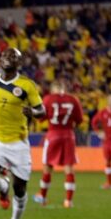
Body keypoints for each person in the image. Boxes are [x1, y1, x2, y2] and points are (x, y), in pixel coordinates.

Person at [0, 47, 45, 219]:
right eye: (5, 55)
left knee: (20, 188)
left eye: (13, 56)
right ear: (0, 60)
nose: (8, 58)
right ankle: (3, 187)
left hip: (18, 142)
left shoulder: (27, 85)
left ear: (19, 63)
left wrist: (33, 113)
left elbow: (42, 111)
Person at [33, 80, 83, 208]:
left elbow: (40, 117)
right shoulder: (73, 99)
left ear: (53, 89)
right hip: (68, 136)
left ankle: (43, 197)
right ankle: (68, 201)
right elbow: (79, 120)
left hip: (53, 135)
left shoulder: (48, 99)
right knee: (69, 168)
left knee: (48, 167)